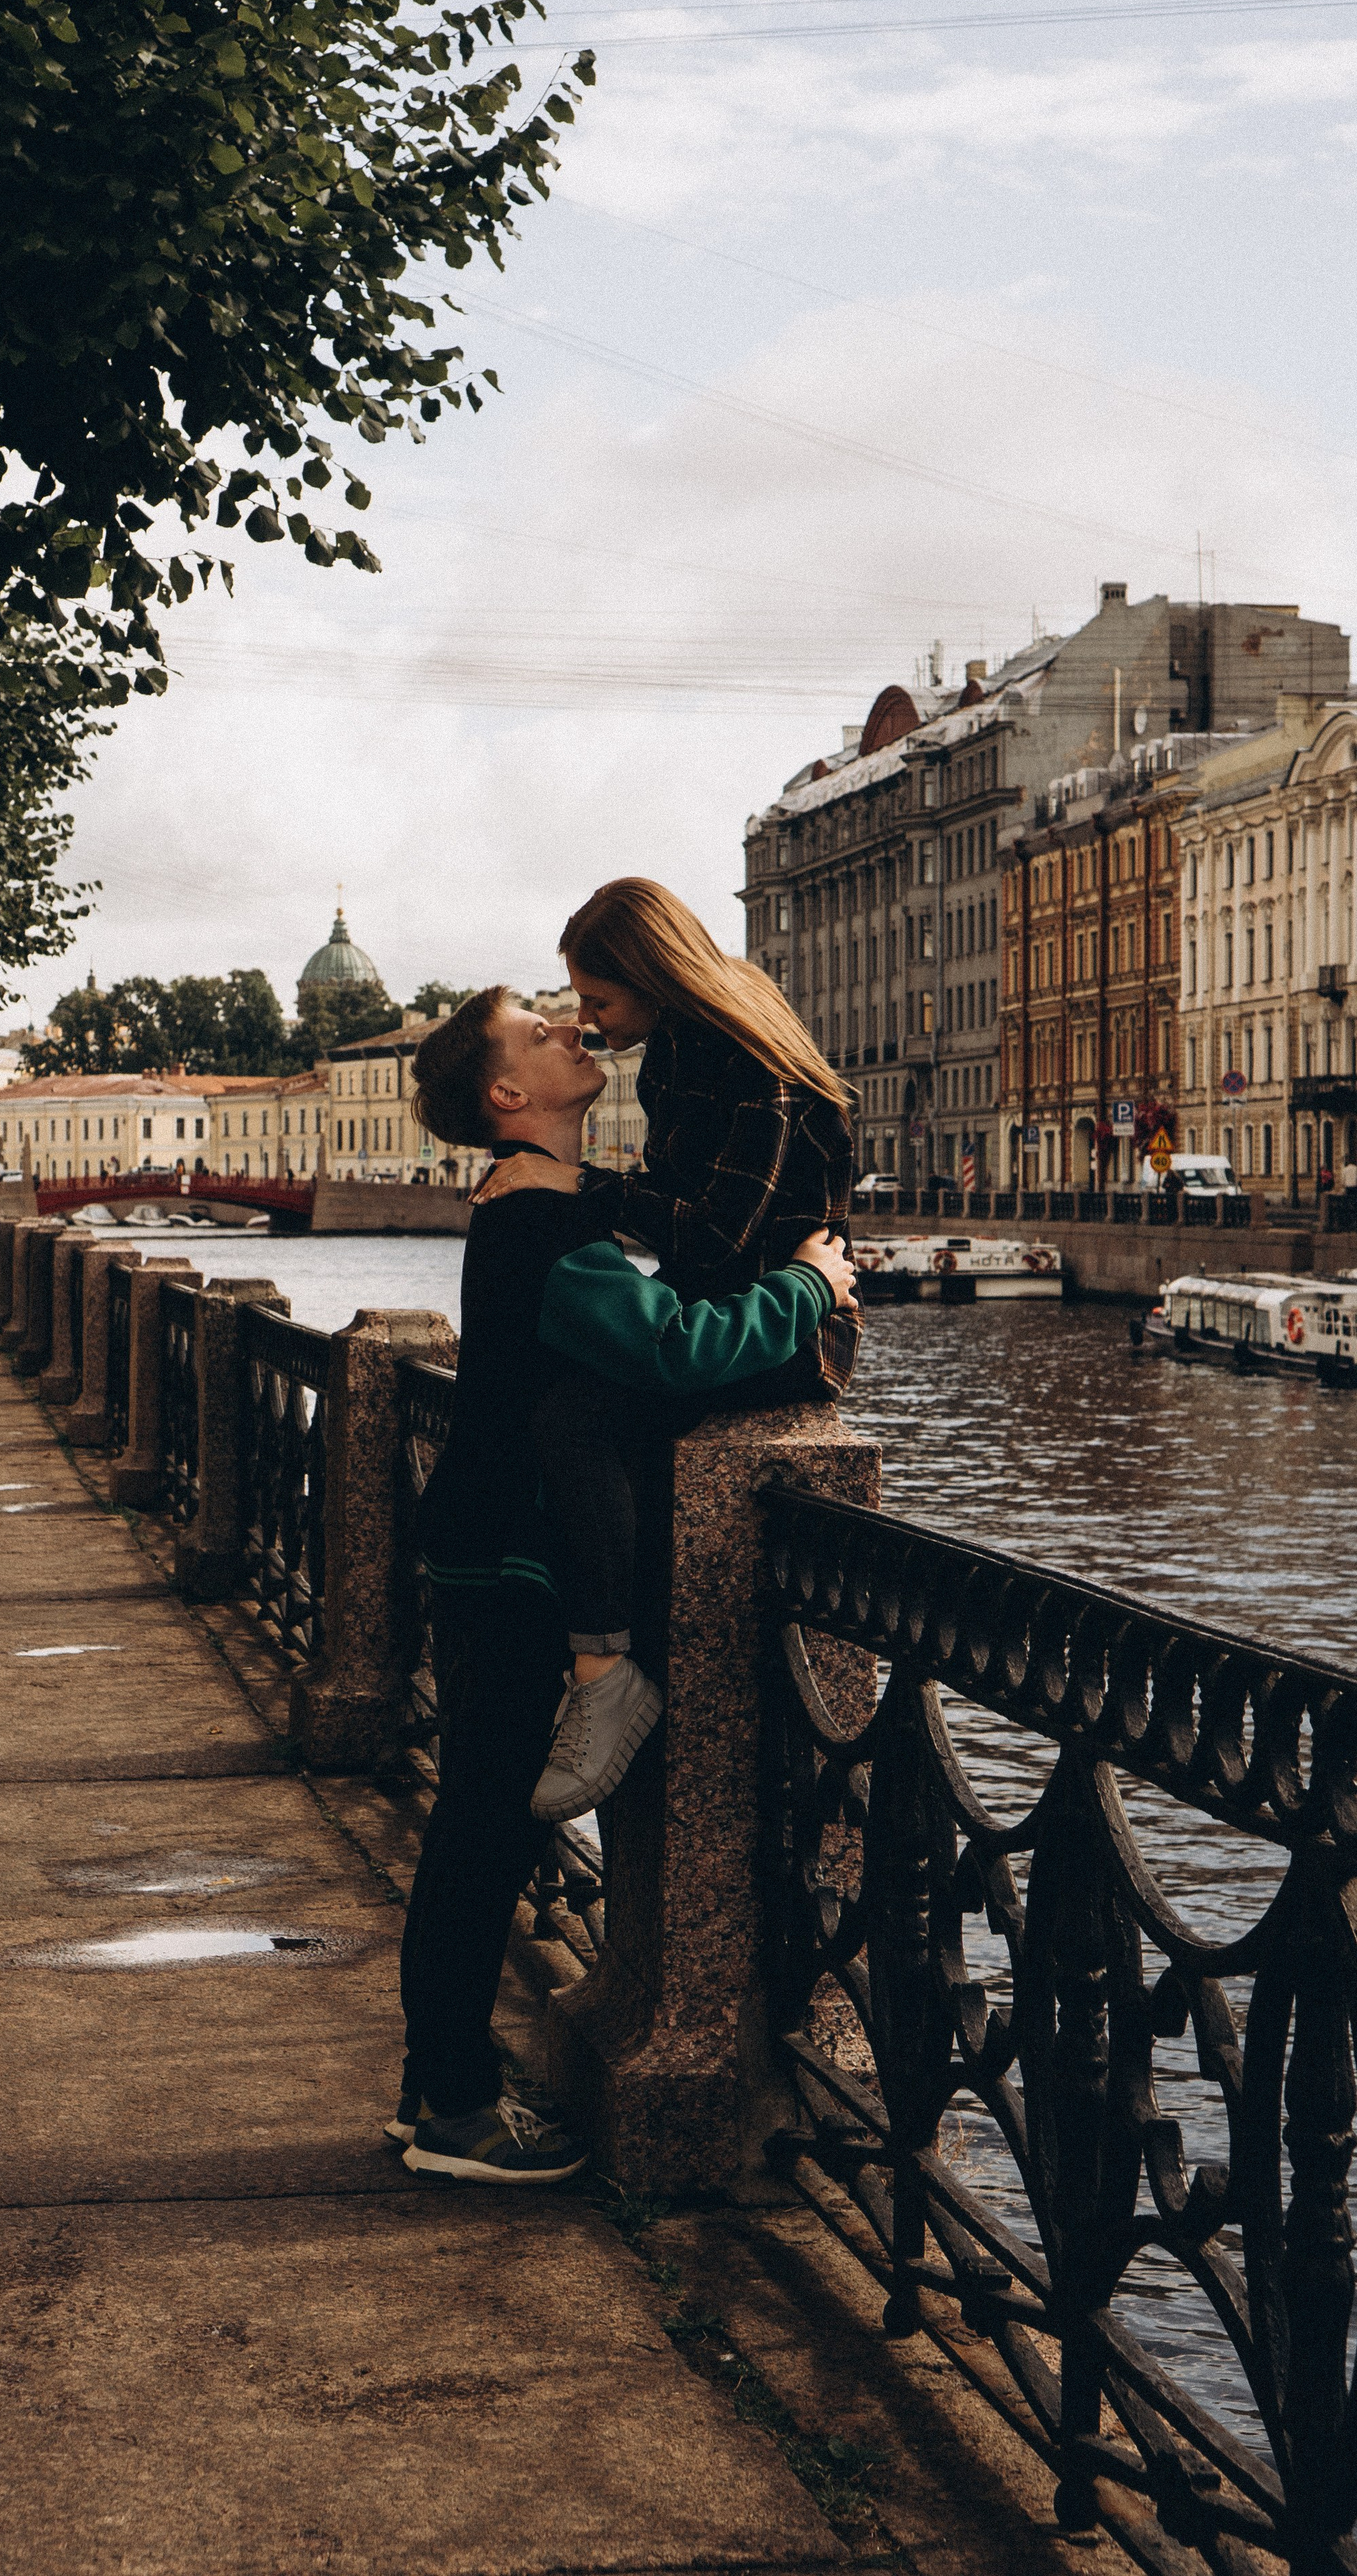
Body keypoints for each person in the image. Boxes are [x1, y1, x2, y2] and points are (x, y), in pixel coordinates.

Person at [393, 986, 856, 2187]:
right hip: (508, 1558)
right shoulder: (542, 1227)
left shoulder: (538, 1204)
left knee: (474, 1828)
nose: (566, 1027)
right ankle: (452, 2109)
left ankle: (435, 2088)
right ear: (507, 1097)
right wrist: (809, 1285)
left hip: (489, 1545)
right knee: (483, 1832)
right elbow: (672, 1348)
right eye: (535, 1029)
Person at [472, 878, 859, 1820]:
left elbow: (718, 1238)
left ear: (649, 978)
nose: (590, 1023)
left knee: (577, 1411)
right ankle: (602, 1657)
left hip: (791, 1329)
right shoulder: (680, 1044)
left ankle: (605, 1670)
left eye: (599, 1001)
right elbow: (679, 1206)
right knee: (580, 1396)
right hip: (728, 1313)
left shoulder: (744, 1055)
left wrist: (577, 1189)